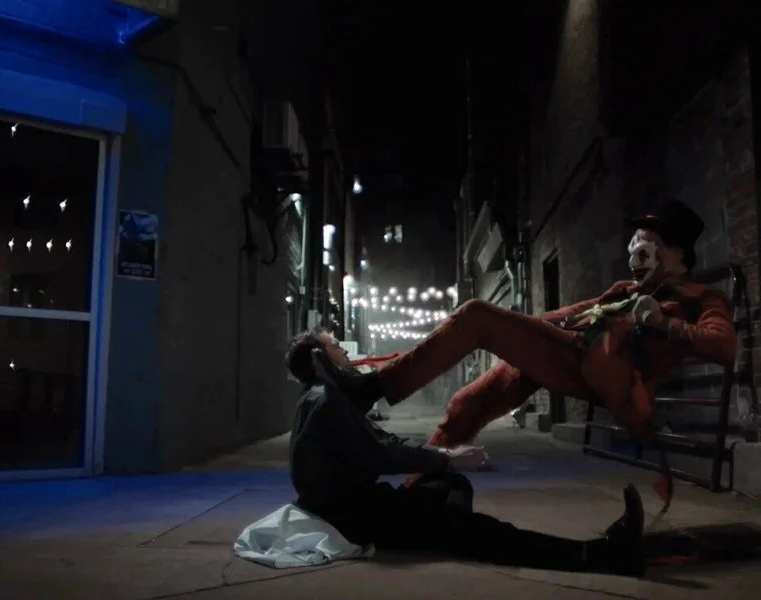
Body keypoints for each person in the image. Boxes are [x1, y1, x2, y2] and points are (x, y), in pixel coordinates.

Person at [313, 200, 737, 509]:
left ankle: (372, 387)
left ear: (676, 255)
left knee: (476, 316)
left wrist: (663, 323)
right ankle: (416, 492)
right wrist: (524, 332)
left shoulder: (700, 297)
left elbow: (723, 345)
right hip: (576, 357)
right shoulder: (626, 291)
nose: (635, 258)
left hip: (612, 375)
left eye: (648, 247)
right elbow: (576, 313)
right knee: (466, 403)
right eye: (635, 246)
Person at [285, 328, 647, 577]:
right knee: (481, 529)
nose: (346, 351)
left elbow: (382, 441)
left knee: (449, 484)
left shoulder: (322, 398)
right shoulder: (327, 401)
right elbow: (382, 453)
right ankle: (601, 555)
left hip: (358, 506)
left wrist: (444, 458)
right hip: (355, 517)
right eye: (336, 346)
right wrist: (448, 457)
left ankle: (446, 528)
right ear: (318, 360)